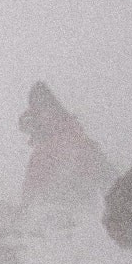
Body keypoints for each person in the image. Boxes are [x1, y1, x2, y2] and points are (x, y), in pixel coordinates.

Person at [18, 82, 117, 212]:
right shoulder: (66, 131)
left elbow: (34, 182)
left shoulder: (53, 143)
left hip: (71, 202)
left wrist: (25, 206)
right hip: (77, 201)